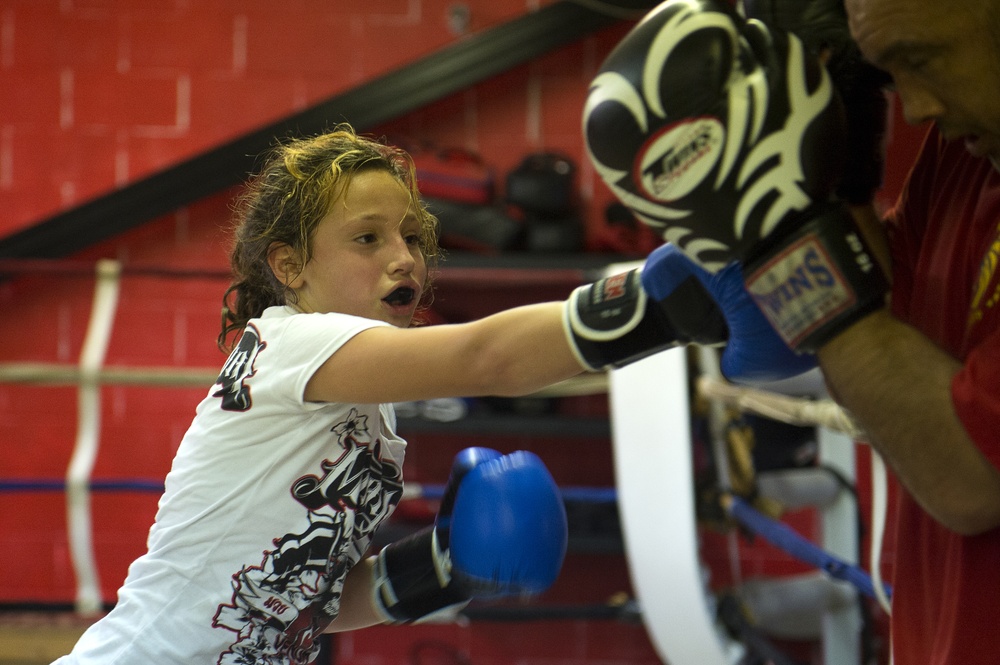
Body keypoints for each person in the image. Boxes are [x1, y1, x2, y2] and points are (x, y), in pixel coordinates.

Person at [53, 123, 812, 665]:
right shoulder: (291, 344)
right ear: (288, 264)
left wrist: (434, 570)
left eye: (412, 236)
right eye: (367, 238)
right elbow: (486, 356)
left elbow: (299, 596)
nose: (402, 256)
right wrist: (657, 304)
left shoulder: (367, 412)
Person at [583, 0, 1000, 663]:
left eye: (922, 59)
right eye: (891, 73)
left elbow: (971, 473)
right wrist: (839, 175)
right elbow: (895, 342)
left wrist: (778, 233)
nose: (915, 108)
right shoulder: (968, 157)